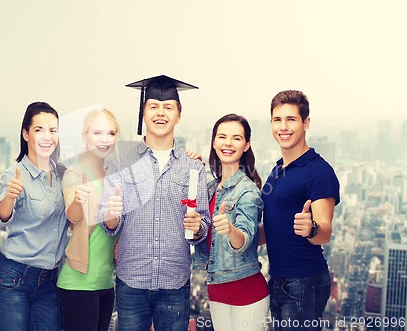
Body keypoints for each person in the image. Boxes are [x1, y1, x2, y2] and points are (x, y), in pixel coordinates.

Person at [98, 75, 212, 331]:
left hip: (174, 282)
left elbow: (201, 225)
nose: (161, 113)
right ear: (144, 112)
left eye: (168, 107)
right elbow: (109, 225)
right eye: (153, 107)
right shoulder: (121, 162)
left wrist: (198, 228)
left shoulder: (192, 167)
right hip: (131, 282)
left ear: (178, 115)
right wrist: (112, 213)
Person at [259, 90, 340, 331]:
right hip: (278, 279)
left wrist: (311, 228)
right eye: (277, 120)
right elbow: (275, 227)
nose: (283, 127)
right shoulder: (277, 170)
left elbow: (325, 231)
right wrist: (238, 237)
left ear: (306, 123)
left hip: (304, 281)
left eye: (291, 119)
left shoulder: (318, 171)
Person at [0, 101, 68, 331]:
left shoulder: (62, 173)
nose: (47, 137)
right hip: (13, 278)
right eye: (39, 130)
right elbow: (0, 218)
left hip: (49, 282)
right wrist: (9, 198)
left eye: (53, 130)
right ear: (25, 134)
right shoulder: (15, 175)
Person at [194, 114, 269, 331]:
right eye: (222, 137)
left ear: (246, 145)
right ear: (214, 142)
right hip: (216, 290)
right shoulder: (208, 189)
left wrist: (230, 229)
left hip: (247, 291)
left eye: (236, 138)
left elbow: (244, 240)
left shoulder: (247, 190)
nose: (228, 143)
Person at [57, 108, 119, 331]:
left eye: (111, 133)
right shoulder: (74, 173)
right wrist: (77, 201)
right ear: (84, 137)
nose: (105, 140)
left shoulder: (114, 175)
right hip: (77, 285)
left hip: (105, 284)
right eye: (97, 133)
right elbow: (72, 215)